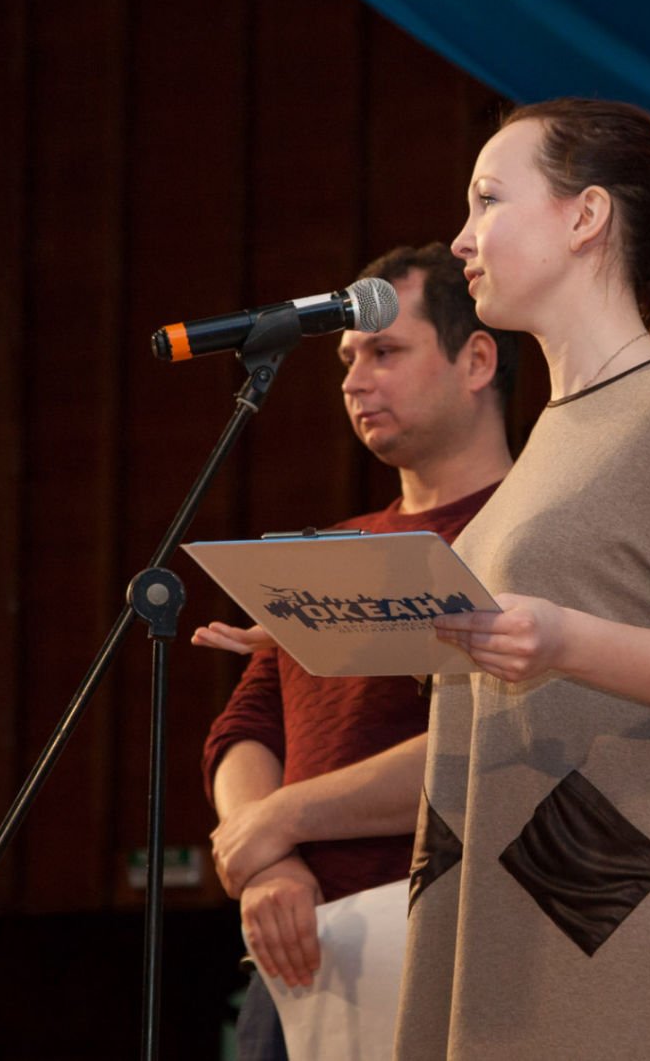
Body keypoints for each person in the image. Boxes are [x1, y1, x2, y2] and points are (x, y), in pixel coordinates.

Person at [394, 99, 650, 1060]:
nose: (462, 239)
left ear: (586, 217)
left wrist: (565, 639)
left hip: (617, 934)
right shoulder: (551, 436)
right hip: (503, 916)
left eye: (488, 200)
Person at [198, 243, 519, 1061]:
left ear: (477, 360)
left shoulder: (530, 535)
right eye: (347, 359)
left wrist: (281, 820)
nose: (353, 380)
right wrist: (267, 862)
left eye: (385, 351)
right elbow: (246, 728)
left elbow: (496, 744)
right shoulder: (333, 547)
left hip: (453, 946)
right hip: (296, 953)